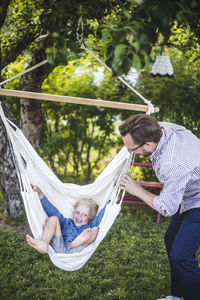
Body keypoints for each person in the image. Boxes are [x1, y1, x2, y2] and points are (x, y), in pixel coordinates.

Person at [119, 114, 200, 300]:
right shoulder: (159, 128)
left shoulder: (173, 163)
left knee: (181, 254)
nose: (130, 152)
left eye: (131, 150)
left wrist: (137, 190)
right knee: (171, 240)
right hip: (187, 195)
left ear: (147, 144)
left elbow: (166, 208)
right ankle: (179, 295)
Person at [26, 186, 108, 254]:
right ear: (73, 212)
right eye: (77, 212)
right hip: (60, 246)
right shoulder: (66, 222)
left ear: (90, 219)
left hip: (79, 249)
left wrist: (112, 200)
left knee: (95, 229)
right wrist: (41, 196)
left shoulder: (90, 225)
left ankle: (80, 241)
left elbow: (101, 214)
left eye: (85, 215)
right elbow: (53, 211)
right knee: (53, 218)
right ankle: (44, 243)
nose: (79, 216)